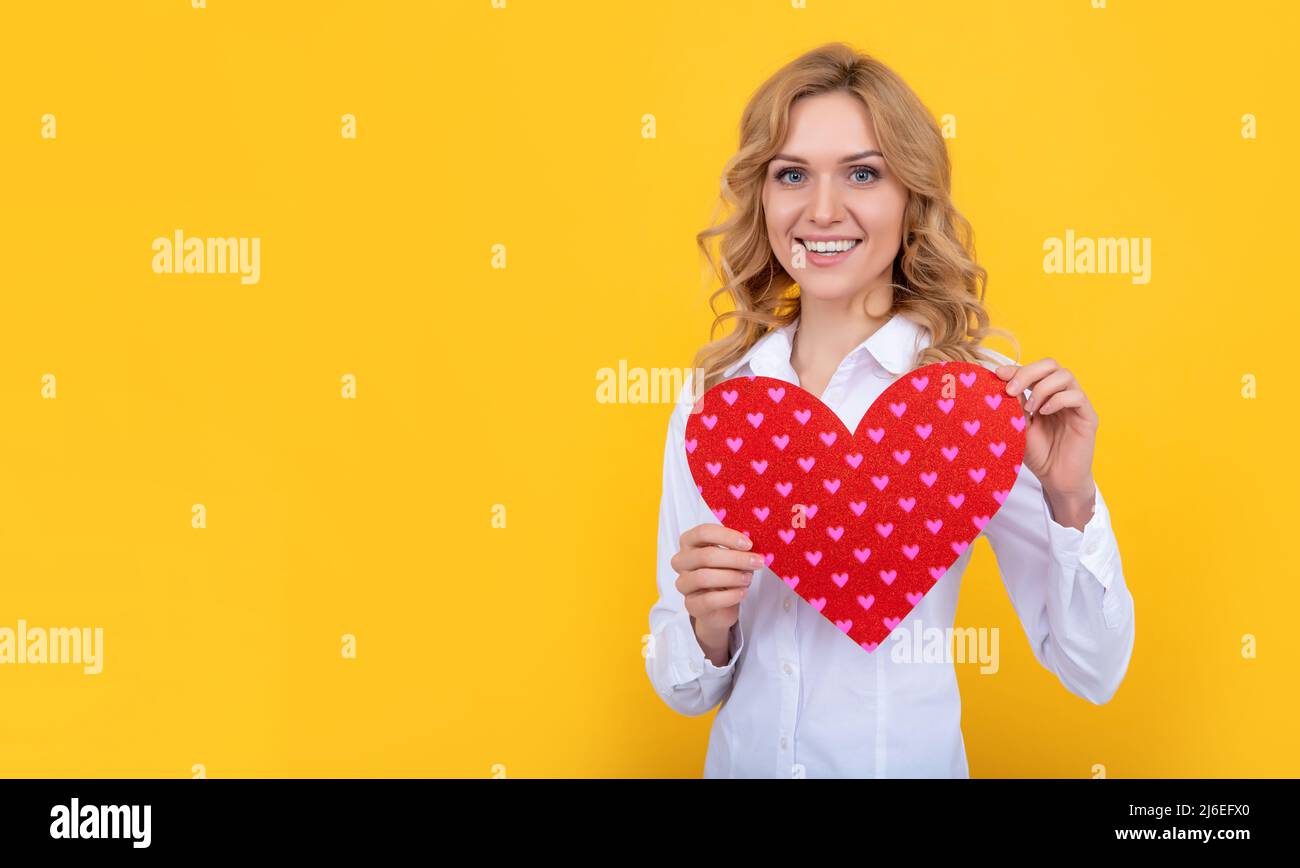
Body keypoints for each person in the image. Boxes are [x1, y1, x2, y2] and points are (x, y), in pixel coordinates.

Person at [645, 42, 1135, 778]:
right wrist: (703, 624)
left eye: (863, 174)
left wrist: (1072, 500)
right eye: (791, 174)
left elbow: (1094, 670)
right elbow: (684, 690)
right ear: (763, 197)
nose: (821, 210)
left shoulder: (978, 401)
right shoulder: (718, 402)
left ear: (911, 196)